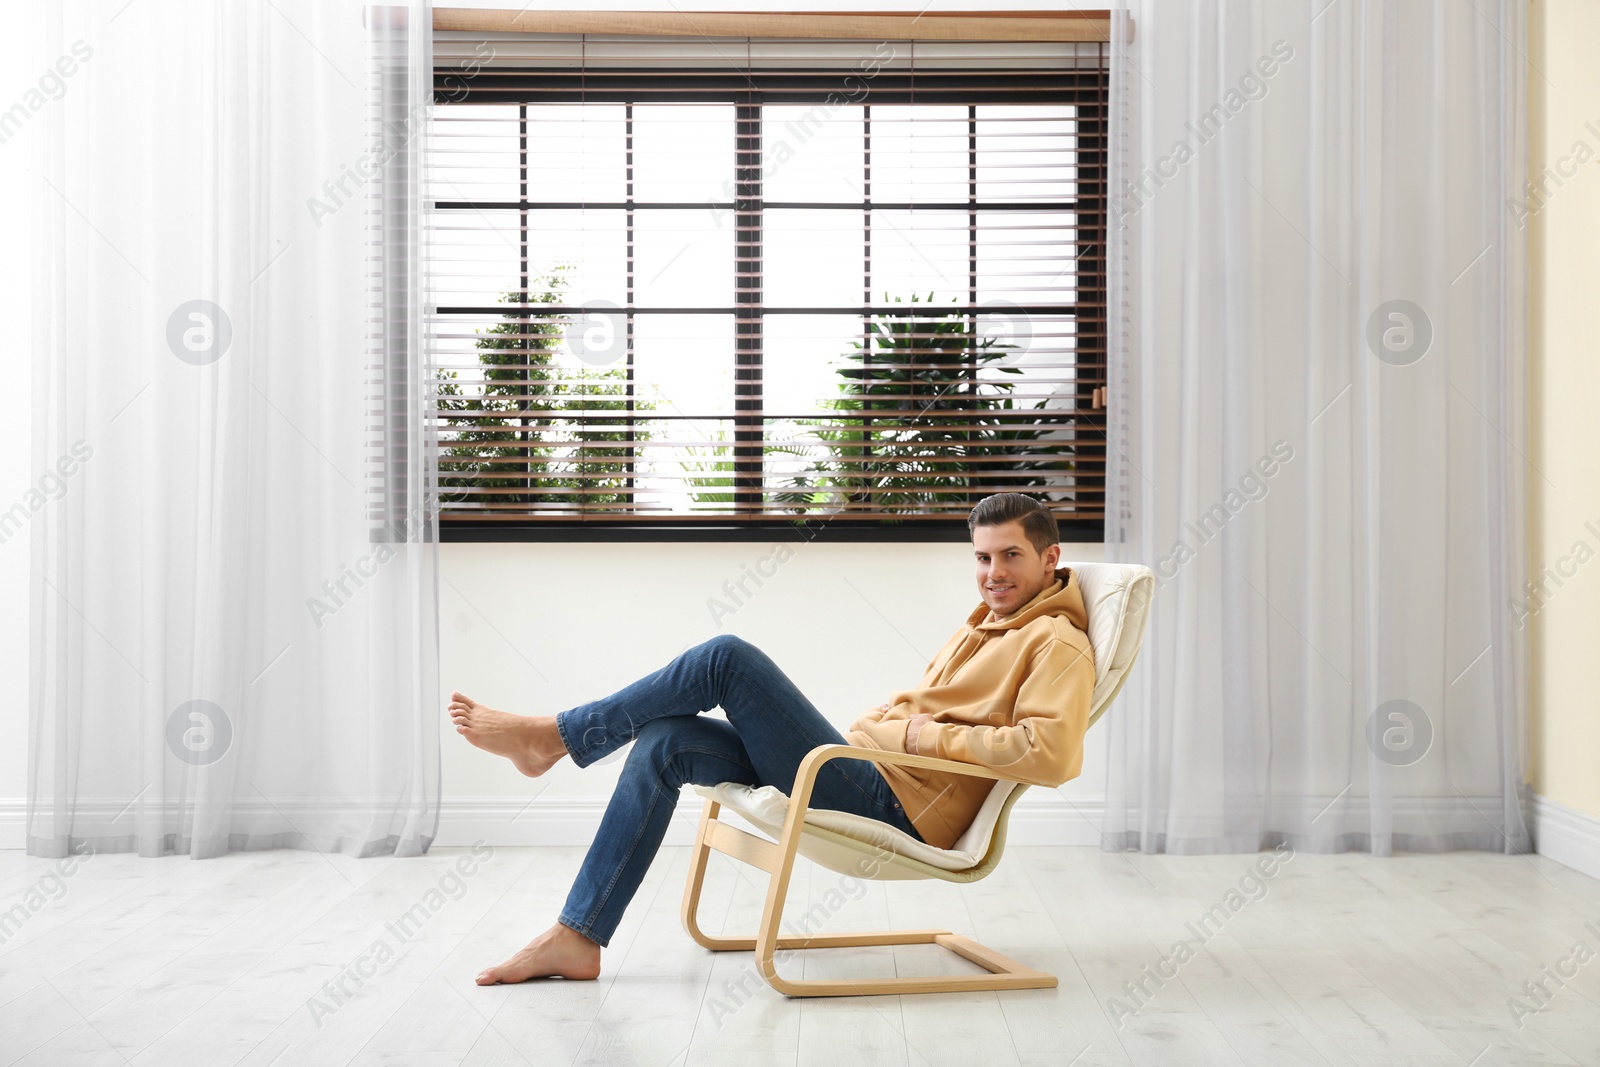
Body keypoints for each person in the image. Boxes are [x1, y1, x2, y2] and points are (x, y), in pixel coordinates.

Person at [449, 492, 1096, 985]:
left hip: (896, 803)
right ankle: (578, 934)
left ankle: (556, 737)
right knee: (666, 739)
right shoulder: (987, 621)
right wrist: (896, 727)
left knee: (725, 658)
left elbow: (1052, 752)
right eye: (983, 557)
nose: (993, 572)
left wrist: (921, 736)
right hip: (866, 766)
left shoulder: (1056, 642)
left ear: (1050, 558)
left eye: (1011, 555)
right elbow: (928, 715)